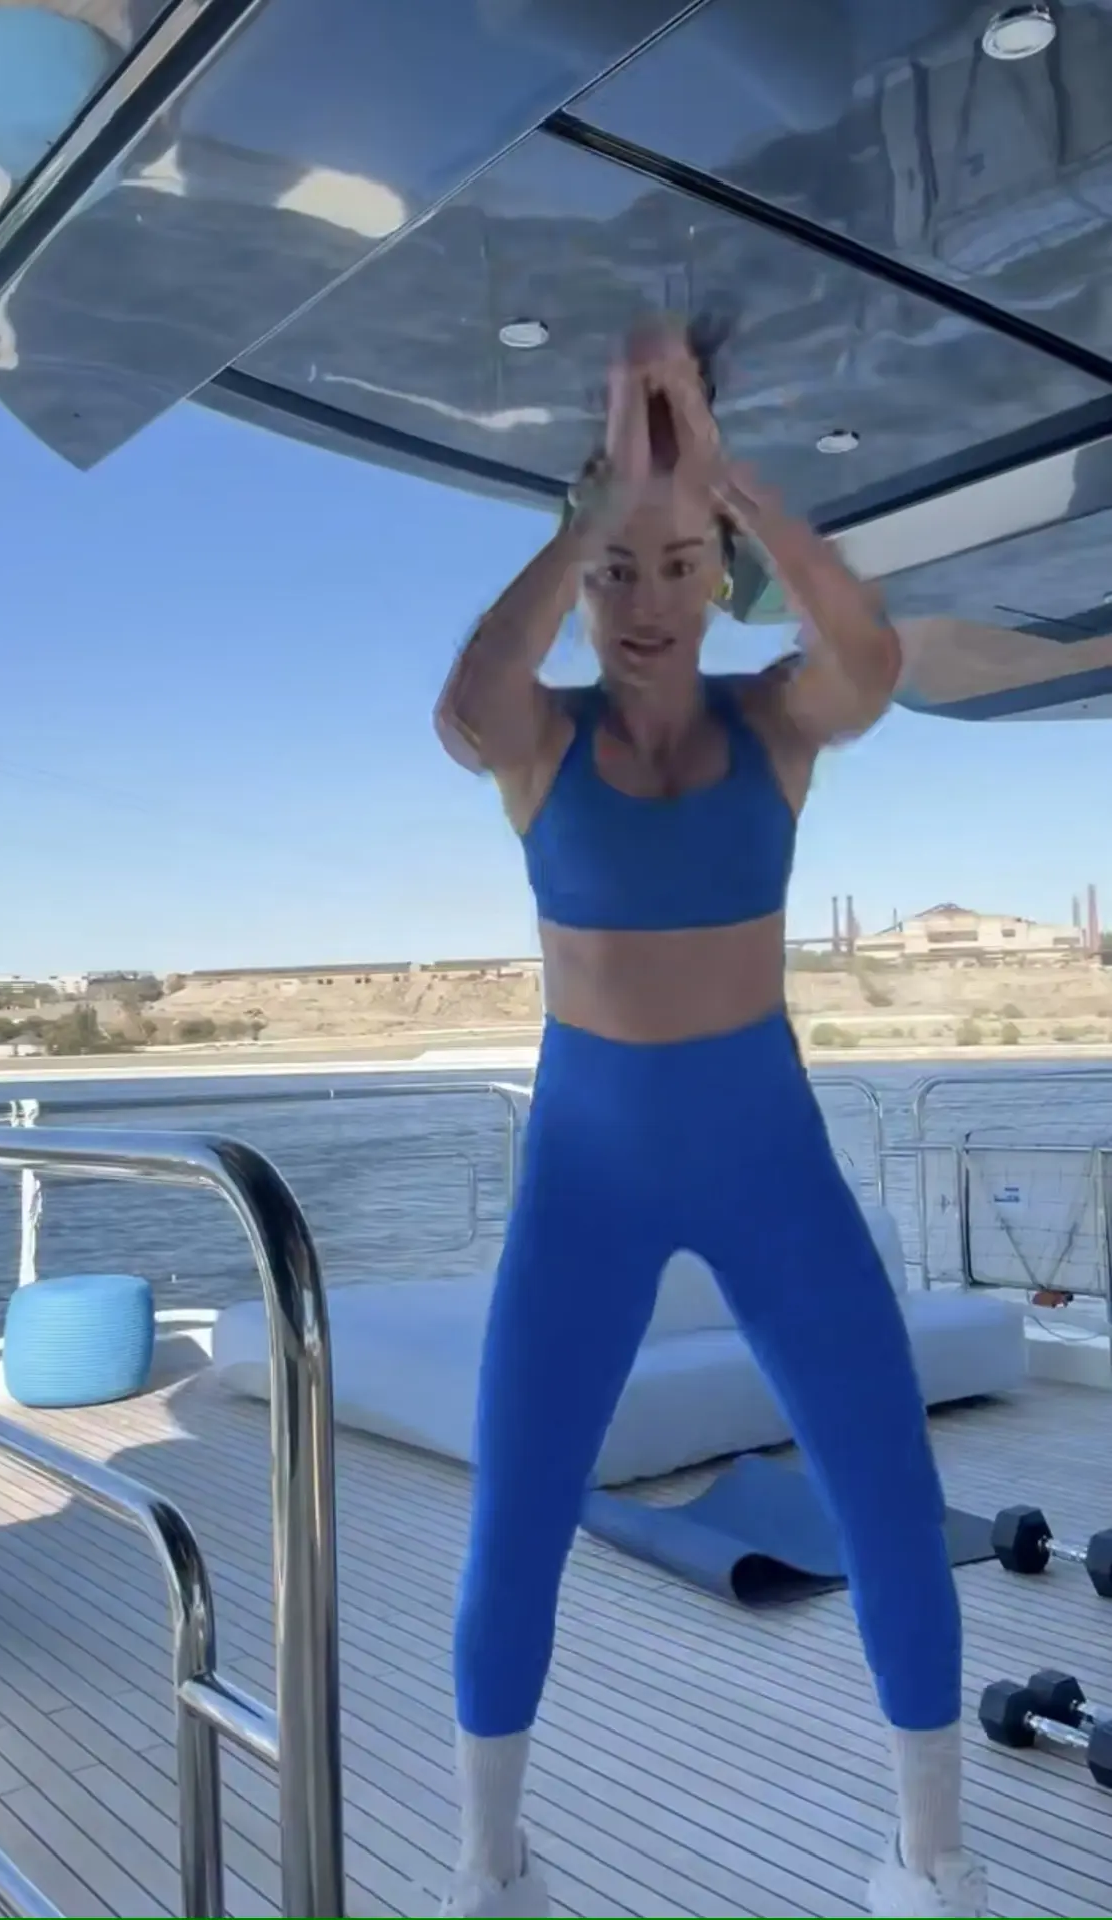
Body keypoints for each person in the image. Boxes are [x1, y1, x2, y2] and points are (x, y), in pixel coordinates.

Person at [433, 321, 987, 1920]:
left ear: (720, 573)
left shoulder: (773, 724)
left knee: (885, 1493)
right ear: (582, 581)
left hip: (770, 1171)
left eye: (680, 568)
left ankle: (930, 1859)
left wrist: (726, 484)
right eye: (617, 573)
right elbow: (468, 705)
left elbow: (872, 663)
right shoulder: (545, 744)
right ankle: (489, 1866)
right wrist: (599, 506)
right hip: (585, 1184)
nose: (646, 602)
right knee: (517, 1517)